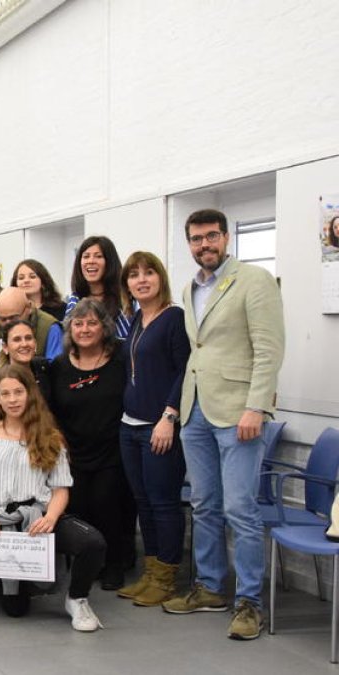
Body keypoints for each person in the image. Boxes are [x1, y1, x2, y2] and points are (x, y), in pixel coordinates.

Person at [162, 208, 285, 642]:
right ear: (189, 244)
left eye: (211, 236)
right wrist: (179, 410)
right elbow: (198, 350)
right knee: (204, 504)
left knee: (240, 509)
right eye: (196, 239)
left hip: (238, 412)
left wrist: (257, 407)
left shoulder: (254, 280)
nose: (204, 245)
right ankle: (211, 587)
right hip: (195, 410)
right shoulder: (190, 287)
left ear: (226, 237)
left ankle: (249, 603)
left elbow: (269, 349)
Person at [0, 364, 107, 630]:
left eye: (18, 392)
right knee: (15, 610)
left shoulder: (50, 437)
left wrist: (51, 517)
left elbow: (60, 489)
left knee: (92, 542)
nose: (13, 399)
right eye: (5, 394)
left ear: (30, 393)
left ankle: (77, 599)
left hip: (38, 518)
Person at [115, 252, 190, 607]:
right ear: (127, 284)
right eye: (134, 275)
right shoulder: (136, 319)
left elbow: (185, 371)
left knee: (164, 503)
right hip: (130, 427)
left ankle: (167, 577)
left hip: (159, 427)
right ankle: (151, 572)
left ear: (161, 277)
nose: (141, 280)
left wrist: (169, 416)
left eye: (148, 273)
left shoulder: (174, 318)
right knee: (143, 502)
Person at [47, 299, 131, 590]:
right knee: (81, 507)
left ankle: (115, 564)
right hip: (73, 452)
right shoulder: (59, 366)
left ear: (104, 328)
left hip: (113, 450)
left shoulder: (120, 360)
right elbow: (50, 409)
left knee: (108, 505)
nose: (84, 329)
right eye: (78, 323)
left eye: (92, 323)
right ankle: (91, 563)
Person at [66, 235, 131, 338]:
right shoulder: (74, 300)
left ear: (110, 262)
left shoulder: (125, 299)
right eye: (86, 256)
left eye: (98, 256)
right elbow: (68, 339)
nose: (91, 261)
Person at [0, 319, 53, 405]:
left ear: (35, 344)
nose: (24, 344)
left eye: (28, 338)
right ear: (5, 347)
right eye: (17, 340)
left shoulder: (44, 368)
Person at [0, 287, 63, 360]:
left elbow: (55, 364)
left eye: (13, 318)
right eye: (3, 319)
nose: (8, 323)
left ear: (29, 308)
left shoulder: (50, 328)